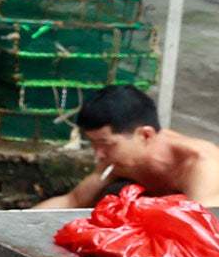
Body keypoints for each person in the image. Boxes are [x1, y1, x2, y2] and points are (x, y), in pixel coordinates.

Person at [34, 86, 219, 209]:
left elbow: (203, 231)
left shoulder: (202, 164)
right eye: (93, 143)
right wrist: (8, 228)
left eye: (106, 144)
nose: (98, 154)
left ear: (145, 135)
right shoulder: (118, 161)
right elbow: (72, 201)